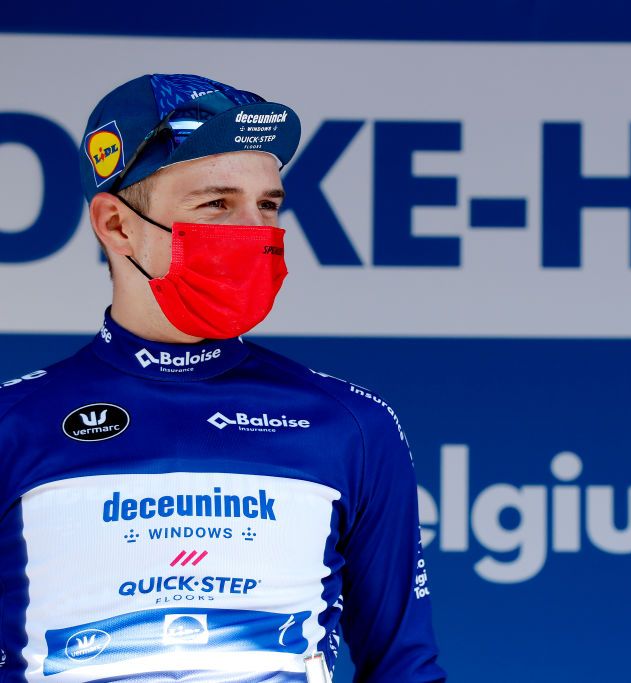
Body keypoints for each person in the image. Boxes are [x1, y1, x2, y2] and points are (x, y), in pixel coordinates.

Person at [0, 73, 446, 683]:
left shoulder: (353, 425)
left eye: (267, 205)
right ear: (116, 224)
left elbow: (406, 670)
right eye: (216, 204)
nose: (254, 231)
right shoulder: (13, 425)